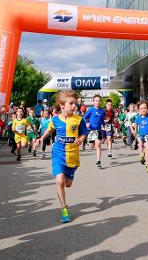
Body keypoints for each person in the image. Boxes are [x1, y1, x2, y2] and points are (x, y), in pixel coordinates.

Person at [36, 90, 87, 223]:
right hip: (58, 153)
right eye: (71, 103)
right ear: (61, 105)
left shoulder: (79, 119)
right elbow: (50, 129)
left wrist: (81, 139)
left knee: (68, 184)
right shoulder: (55, 119)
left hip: (72, 155)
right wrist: (41, 138)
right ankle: (64, 208)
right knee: (60, 181)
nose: (74, 106)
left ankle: (69, 177)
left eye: (75, 103)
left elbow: (83, 133)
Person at [83, 95, 105, 168]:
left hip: (98, 130)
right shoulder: (91, 110)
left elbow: (102, 120)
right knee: (91, 146)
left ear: (100, 102)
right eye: (96, 101)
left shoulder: (102, 111)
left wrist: (105, 126)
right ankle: (88, 142)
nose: (97, 102)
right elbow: (84, 117)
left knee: (98, 145)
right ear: (93, 102)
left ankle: (98, 161)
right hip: (91, 131)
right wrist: (86, 123)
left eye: (99, 100)